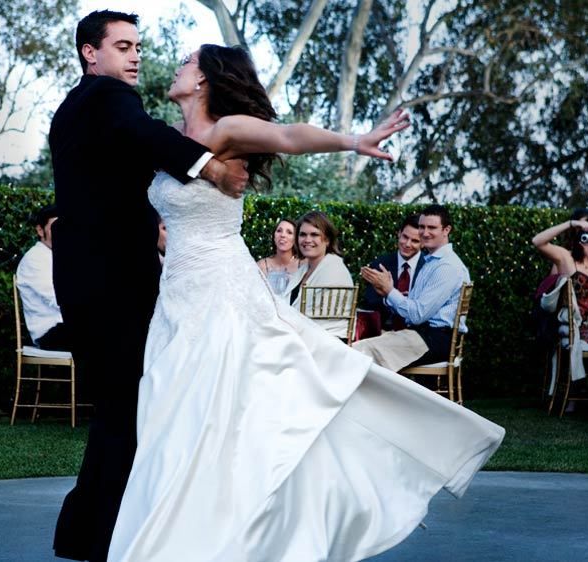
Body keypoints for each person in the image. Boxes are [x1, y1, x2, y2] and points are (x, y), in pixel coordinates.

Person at [106, 44, 504, 561]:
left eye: (185, 61)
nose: (176, 65)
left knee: (231, 407)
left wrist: (356, 140)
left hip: (222, 293)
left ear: (203, 80)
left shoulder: (224, 131)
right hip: (178, 297)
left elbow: (289, 136)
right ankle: (188, 529)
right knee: (173, 413)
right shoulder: (170, 140)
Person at [49, 11, 251, 561]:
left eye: (138, 45)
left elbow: (99, 178)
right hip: (114, 281)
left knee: (119, 407)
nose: (135, 55)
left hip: (87, 278)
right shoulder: (110, 99)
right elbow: (147, 134)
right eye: (122, 45)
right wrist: (208, 167)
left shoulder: (75, 107)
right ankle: (113, 536)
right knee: (129, 408)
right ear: (91, 53)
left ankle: (92, 531)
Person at [352, 205, 470, 372]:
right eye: (422, 227)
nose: (425, 232)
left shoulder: (446, 266)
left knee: (360, 353)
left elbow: (416, 315)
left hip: (434, 339)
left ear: (446, 230)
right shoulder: (433, 261)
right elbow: (413, 311)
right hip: (422, 335)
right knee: (357, 349)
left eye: (432, 227)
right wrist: (386, 293)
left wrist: (389, 290)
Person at [533, 210, 588, 344]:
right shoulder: (566, 257)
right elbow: (537, 241)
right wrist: (570, 224)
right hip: (575, 324)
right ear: (581, 234)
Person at [285, 211, 355, 339]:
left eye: (314, 235)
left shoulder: (334, 269)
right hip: (301, 336)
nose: (307, 240)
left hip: (326, 342)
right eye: (303, 235)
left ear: (327, 240)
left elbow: (315, 320)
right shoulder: (304, 269)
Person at [15, 204, 70, 350]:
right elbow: (57, 299)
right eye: (55, 227)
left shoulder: (61, 256)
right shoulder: (34, 259)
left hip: (68, 328)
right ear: (40, 230)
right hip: (49, 333)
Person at [361, 214, 424, 331]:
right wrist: (390, 298)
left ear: (423, 243)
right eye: (405, 237)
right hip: (383, 332)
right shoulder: (380, 264)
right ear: (399, 233)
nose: (407, 244)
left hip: (418, 334)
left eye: (415, 241)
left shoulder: (428, 267)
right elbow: (369, 303)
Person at [256, 218, 300, 294]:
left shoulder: (303, 265)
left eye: (289, 232)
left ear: (295, 239)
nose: (283, 235)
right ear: (274, 236)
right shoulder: (261, 266)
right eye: (279, 231)